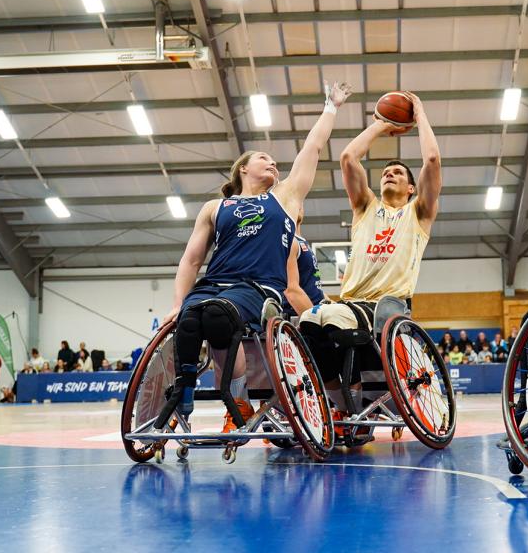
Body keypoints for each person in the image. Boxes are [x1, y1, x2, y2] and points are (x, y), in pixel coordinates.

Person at [158, 81, 352, 432]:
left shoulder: (285, 197)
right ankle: (182, 395)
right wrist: (177, 302)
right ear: (243, 169)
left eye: (275, 161)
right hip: (215, 283)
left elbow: (313, 147)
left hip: (258, 287)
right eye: (264, 158)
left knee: (217, 316)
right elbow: (190, 261)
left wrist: (331, 106)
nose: (273, 162)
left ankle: (238, 402)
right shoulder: (215, 207)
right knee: (188, 319)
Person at [299, 92, 442, 424]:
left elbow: (432, 160)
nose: (389, 173)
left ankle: (356, 400)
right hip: (351, 302)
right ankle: (345, 405)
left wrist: (419, 114)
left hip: (388, 306)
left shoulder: (418, 213)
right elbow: (349, 157)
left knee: (331, 320)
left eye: (398, 172)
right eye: (386, 172)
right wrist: (381, 124)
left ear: (411, 188)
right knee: (307, 324)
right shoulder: (365, 208)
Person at [283, 207, 328, 316]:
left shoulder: (302, 242)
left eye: (301, 203)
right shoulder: (289, 241)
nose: (299, 206)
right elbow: (291, 291)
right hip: (300, 317)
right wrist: (314, 319)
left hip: (316, 310)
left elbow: (314, 286)